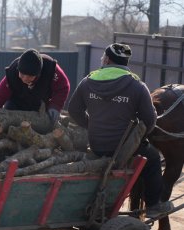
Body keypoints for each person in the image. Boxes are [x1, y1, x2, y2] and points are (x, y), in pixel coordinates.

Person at [67, 43, 173, 218]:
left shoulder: (88, 81)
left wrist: (91, 125)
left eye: (103, 57)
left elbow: (73, 110)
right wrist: (137, 137)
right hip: (123, 149)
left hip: (96, 145)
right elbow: (150, 120)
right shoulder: (137, 86)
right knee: (153, 158)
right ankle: (154, 205)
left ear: (107, 59)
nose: (102, 59)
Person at [0, 48, 70, 124]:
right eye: (22, 75)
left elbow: (63, 88)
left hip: (40, 105)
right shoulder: (13, 72)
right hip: (16, 104)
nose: (25, 79)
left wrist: (55, 106)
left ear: (38, 74)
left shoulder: (51, 70)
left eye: (30, 76)